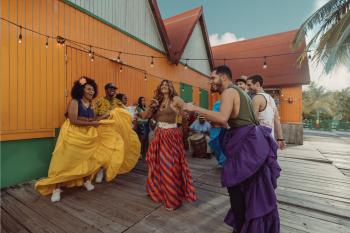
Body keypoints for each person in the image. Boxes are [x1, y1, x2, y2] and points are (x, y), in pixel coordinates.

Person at [183, 66, 280, 233]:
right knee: (250, 190)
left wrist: (195, 108)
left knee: (235, 187)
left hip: (245, 145)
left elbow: (222, 118)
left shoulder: (228, 92)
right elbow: (229, 120)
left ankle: (242, 227)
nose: (210, 81)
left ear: (223, 77)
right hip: (252, 142)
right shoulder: (241, 92)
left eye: (212, 78)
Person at [35, 77, 139, 202]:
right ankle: (56, 188)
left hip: (87, 134)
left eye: (93, 89)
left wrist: (108, 115)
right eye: (88, 89)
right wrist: (91, 123)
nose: (91, 92)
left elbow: (92, 120)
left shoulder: (91, 105)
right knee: (65, 160)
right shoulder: (75, 101)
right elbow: (73, 120)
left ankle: (85, 180)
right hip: (72, 133)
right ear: (81, 90)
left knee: (87, 159)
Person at [138, 80, 196, 211]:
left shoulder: (175, 99)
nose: (164, 86)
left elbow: (187, 111)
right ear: (159, 88)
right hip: (158, 135)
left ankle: (173, 199)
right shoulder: (157, 101)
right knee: (156, 164)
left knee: (169, 166)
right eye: (162, 85)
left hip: (171, 135)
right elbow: (144, 116)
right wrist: (151, 106)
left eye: (167, 85)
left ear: (171, 88)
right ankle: (158, 191)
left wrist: (187, 115)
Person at [247, 75, 286, 150]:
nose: (248, 88)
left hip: (259, 139)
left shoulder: (256, 98)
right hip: (270, 139)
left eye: (249, 85)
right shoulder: (271, 98)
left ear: (257, 84)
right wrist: (280, 139)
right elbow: (277, 120)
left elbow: (252, 121)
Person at [208, 100, 226, 167]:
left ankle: (223, 162)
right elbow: (213, 115)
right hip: (214, 129)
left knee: (223, 145)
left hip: (223, 129)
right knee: (215, 145)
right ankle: (220, 161)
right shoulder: (217, 103)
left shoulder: (228, 103)